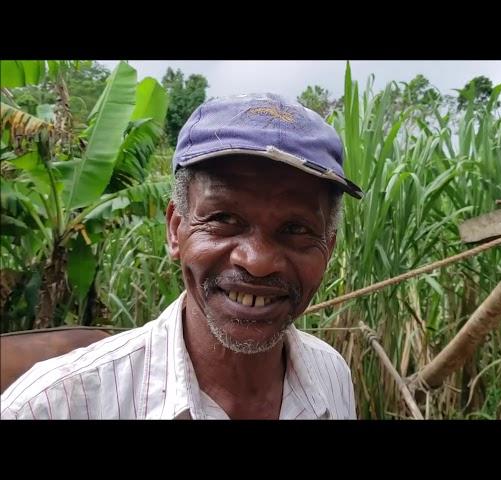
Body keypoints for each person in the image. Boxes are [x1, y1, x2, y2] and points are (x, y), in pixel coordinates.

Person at [1, 93, 364, 420]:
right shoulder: (51, 406)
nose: (257, 261)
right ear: (175, 229)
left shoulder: (332, 375)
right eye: (224, 218)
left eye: (296, 229)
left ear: (328, 249)